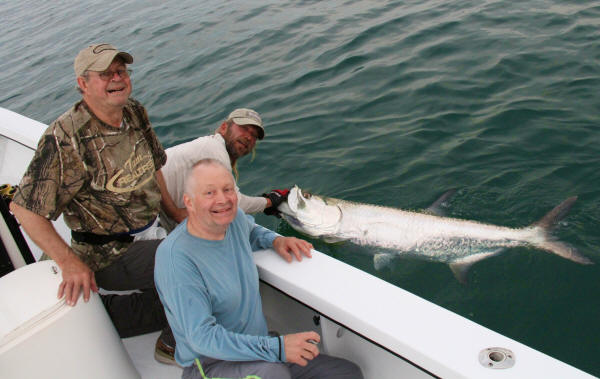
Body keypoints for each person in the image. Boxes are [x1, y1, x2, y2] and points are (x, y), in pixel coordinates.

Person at [10, 43, 176, 364]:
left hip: (148, 232)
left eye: (120, 71)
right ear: (82, 84)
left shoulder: (133, 111)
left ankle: (109, 316)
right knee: (198, 258)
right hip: (110, 253)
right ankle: (172, 343)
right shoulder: (66, 138)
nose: (117, 79)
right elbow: (24, 209)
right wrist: (69, 261)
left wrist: (175, 213)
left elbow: (154, 165)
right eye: (105, 74)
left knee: (200, 250)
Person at [154, 159, 363, 379]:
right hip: (210, 364)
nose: (222, 200)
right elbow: (202, 338)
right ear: (189, 202)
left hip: (258, 348)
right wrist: (278, 348)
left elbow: (252, 232)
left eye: (227, 189)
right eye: (209, 193)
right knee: (273, 375)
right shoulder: (176, 258)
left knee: (346, 373)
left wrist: (275, 241)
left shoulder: (233, 221)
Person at [157, 108, 288, 232]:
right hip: (150, 222)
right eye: (244, 128)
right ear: (224, 127)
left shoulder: (210, 148)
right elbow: (233, 203)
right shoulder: (213, 149)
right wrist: (271, 201)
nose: (248, 137)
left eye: (254, 136)